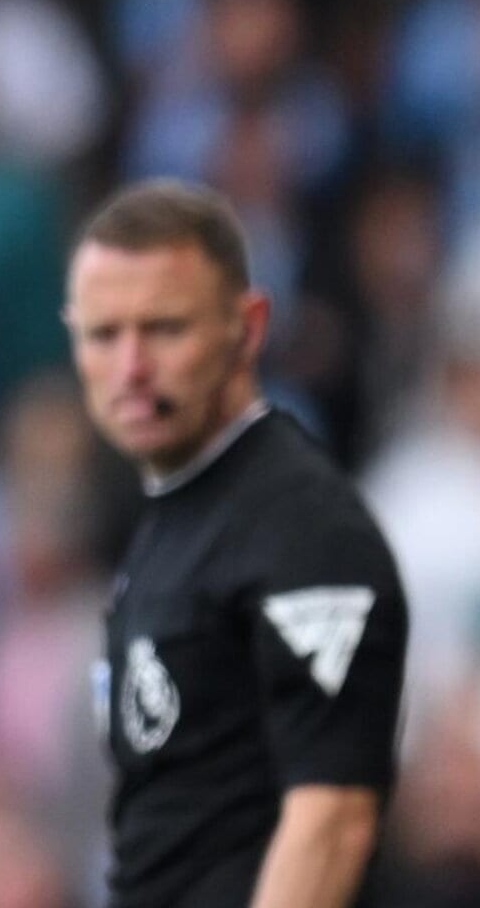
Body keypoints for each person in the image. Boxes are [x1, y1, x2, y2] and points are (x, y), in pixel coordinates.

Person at [64, 179, 408, 908]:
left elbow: (333, 820)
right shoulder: (172, 516)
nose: (131, 367)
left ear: (248, 328)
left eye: (164, 329)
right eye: (103, 334)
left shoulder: (302, 526)